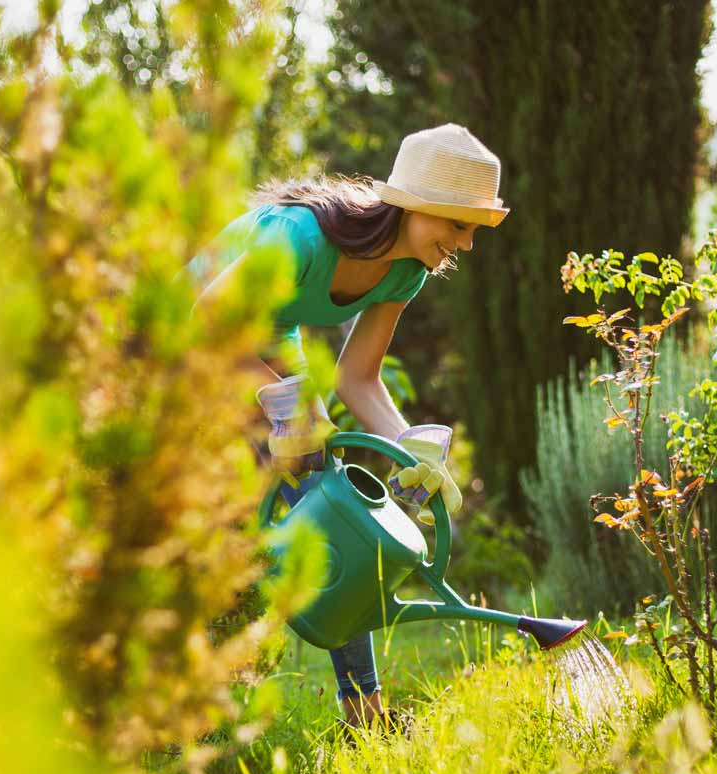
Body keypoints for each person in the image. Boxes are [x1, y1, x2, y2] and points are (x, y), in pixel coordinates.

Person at [191, 124, 509, 729]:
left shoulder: (404, 272)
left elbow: (357, 379)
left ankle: (363, 714)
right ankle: (199, 698)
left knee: (339, 507)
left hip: (260, 343)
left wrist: (412, 447)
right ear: (418, 207)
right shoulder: (302, 235)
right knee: (234, 509)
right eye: (459, 226)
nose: (466, 246)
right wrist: (284, 399)